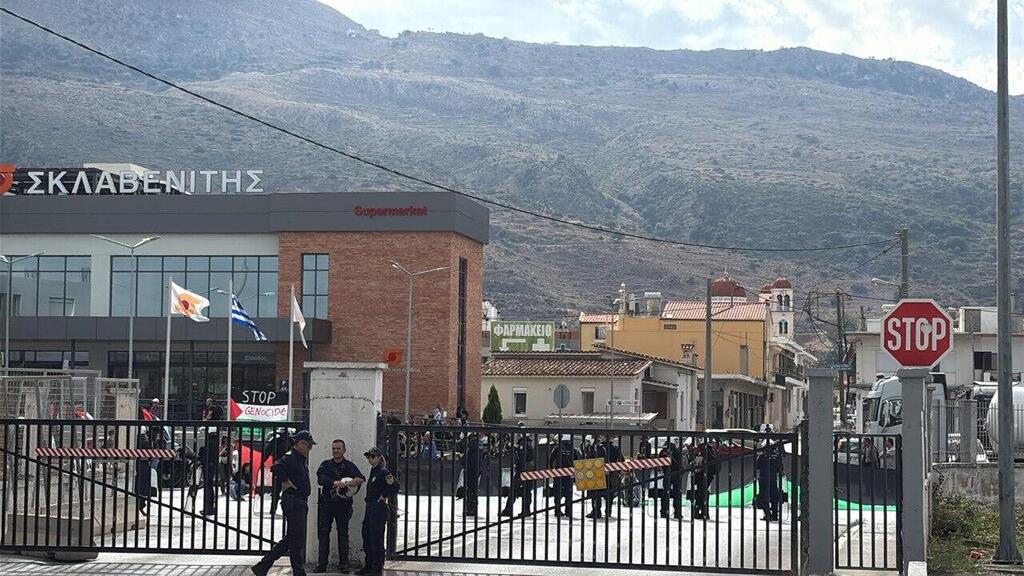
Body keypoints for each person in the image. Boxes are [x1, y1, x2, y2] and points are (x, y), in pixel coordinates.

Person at [251, 430, 317, 576]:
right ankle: (297, 571)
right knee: (295, 539)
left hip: (299, 502)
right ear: (300, 444)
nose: (309, 449)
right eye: (308, 446)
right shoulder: (291, 457)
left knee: (292, 539)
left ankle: (263, 566)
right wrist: (286, 480)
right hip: (294, 502)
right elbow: (276, 467)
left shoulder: (299, 458)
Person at [314, 439, 366, 574]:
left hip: (343, 505)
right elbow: (320, 479)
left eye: (338, 448)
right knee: (324, 533)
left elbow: (361, 478)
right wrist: (335, 482)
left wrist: (351, 482)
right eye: (333, 448)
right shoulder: (325, 465)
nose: (335, 451)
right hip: (327, 504)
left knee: (343, 533)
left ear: (344, 450)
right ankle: (322, 564)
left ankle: (344, 565)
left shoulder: (349, 466)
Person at [359, 447, 399, 576]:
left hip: (378, 508)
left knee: (376, 537)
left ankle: (377, 567)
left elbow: (395, 486)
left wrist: (384, 496)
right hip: (370, 507)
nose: (370, 458)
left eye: (372, 456)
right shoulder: (374, 471)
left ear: (378, 457)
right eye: (368, 456)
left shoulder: (383, 471)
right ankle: (369, 564)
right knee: (367, 535)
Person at [587, 435, 622, 519]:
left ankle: (596, 511)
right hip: (611, 474)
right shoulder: (615, 448)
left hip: (597, 473)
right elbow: (621, 460)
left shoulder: (597, 449)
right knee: (609, 493)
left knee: (596, 493)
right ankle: (608, 511)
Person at [500, 431, 533, 517]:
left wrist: (519, 468)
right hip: (530, 471)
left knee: (513, 491)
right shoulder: (530, 444)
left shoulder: (523, 444)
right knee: (527, 491)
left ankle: (508, 510)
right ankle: (526, 510)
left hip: (522, 471)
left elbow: (522, 457)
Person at [755, 433, 783, 522]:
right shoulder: (777, 457)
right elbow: (780, 469)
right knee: (774, 497)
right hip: (773, 480)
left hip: (763, 479)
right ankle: (775, 515)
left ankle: (767, 514)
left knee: (763, 498)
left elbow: (757, 467)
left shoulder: (762, 456)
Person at [690, 438, 720, 521]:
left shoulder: (704, 449)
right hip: (704, 474)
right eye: (712, 442)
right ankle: (699, 511)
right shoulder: (706, 449)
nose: (714, 444)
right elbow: (699, 461)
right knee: (702, 493)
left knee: (703, 493)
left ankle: (703, 512)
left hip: (704, 474)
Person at [266, 428, 293, 516]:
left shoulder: (291, 441)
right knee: (276, 491)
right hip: (278, 468)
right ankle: (273, 510)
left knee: (287, 491)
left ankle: (286, 510)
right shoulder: (276, 441)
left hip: (288, 469)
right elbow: (267, 452)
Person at [550, 434, 578, 517]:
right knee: (568, 494)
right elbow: (577, 463)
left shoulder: (557, 448)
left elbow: (551, 460)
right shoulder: (573, 450)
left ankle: (557, 511)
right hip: (569, 475)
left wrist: (552, 470)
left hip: (558, 474)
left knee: (557, 494)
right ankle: (568, 511)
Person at [659, 437, 685, 519]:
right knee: (677, 493)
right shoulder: (677, 451)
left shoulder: (663, 451)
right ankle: (677, 512)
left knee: (665, 493)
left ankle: (664, 512)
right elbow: (680, 463)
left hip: (667, 473)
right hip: (676, 474)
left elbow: (661, 464)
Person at [458, 432, 481, 516]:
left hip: (470, 470)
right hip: (477, 470)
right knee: (474, 490)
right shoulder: (479, 445)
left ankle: (470, 509)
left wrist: (461, 457)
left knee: (469, 490)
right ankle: (474, 509)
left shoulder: (471, 445)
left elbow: (466, 459)